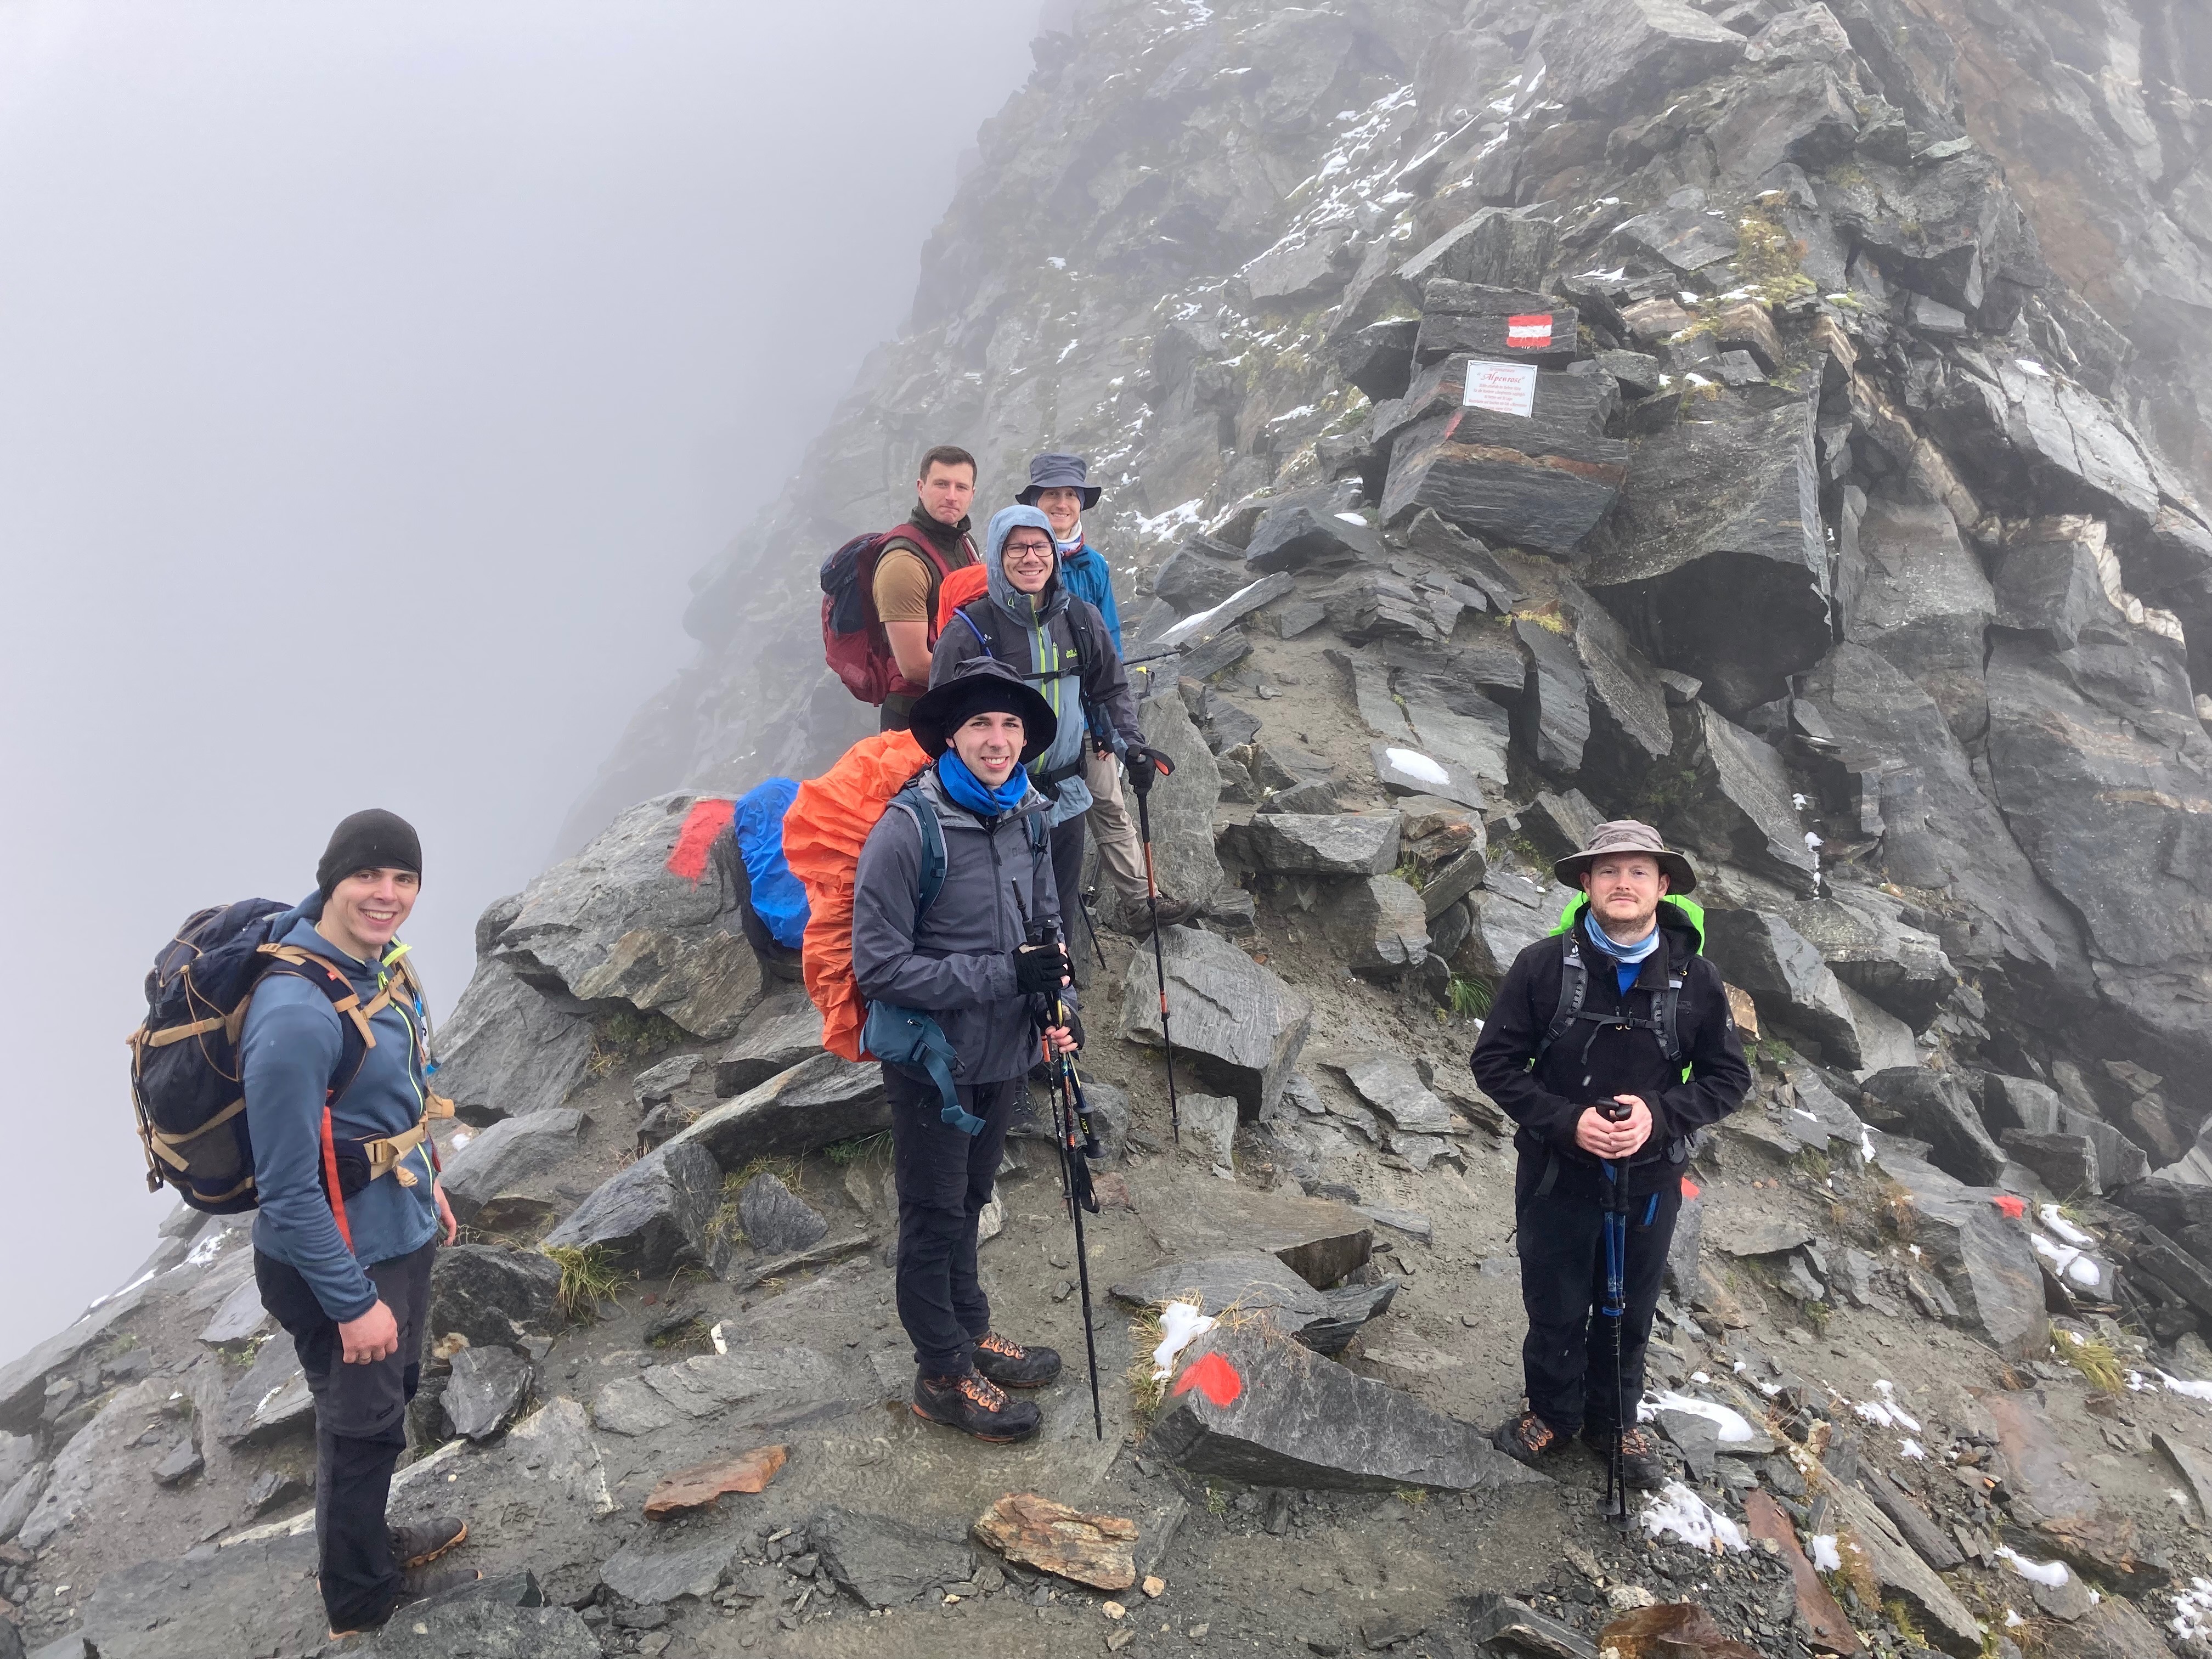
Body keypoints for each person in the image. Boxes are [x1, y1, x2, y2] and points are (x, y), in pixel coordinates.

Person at [244, 810, 477, 1637]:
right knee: (362, 1424)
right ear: (332, 880)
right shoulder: (296, 1015)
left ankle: (368, 1544)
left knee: (390, 1397)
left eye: (404, 878)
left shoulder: (380, 965)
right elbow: (285, 1190)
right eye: (367, 876)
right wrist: (350, 1302)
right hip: (338, 1261)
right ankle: (358, 1601)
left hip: (394, 1225)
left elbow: (400, 1094)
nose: (388, 894)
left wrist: (428, 1182)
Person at [1469, 821, 1750, 1490]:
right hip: (1555, 1176)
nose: (1623, 883)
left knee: (1631, 1308)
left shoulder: (1697, 980)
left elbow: (1728, 1079)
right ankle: (1553, 1414)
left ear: (1663, 886)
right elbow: (1495, 1063)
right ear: (1587, 884)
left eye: (1638, 871)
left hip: (1650, 1182)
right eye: (1608, 871)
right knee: (1556, 1303)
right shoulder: (1543, 966)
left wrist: (1660, 1116)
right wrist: (1569, 1122)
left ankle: (1614, 1421)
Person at [852, 659, 1080, 1443]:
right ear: (951, 735)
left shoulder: (1030, 816)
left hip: (1005, 1051)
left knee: (973, 1201)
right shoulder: (906, 831)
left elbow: (1048, 928)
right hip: (933, 1064)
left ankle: (970, 1330)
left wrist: (1060, 1004)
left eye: (1011, 724)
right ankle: (941, 1375)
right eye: (981, 723)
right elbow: (879, 968)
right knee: (933, 1215)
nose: (998, 739)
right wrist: (1004, 974)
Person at [929, 504, 1174, 947]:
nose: (1031, 557)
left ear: (1054, 554)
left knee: (1059, 913)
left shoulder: (1080, 618)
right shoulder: (970, 630)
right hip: (994, 805)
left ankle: (1063, 988)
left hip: (1066, 799)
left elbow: (1109, 690)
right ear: (997, 556)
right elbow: (940, 721)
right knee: (1002, 920)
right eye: (1016, 548)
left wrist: (1131, 747)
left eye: (1040, 546)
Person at [1017, 452, 1196, 932]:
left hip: (1084, 714)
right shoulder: (1017, 562)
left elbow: (1109, 649)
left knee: (1109, 805)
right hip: (1030, 721)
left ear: (1081, 503)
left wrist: (1108, 729)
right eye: (1051, 494)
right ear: (1034, 502)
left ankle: (1141, 902)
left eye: (1070, 495)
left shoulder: (1093, 566)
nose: (1062, 503)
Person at [873, 445, 981, 732]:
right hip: (915, 718)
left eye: (961, 487)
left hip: (959, 705)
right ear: (921, 488)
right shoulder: (903, 564)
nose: (951, 496)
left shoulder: (964, 544)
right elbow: (914, 666)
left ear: (972, 494)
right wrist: (991, 677)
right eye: (941, 484)